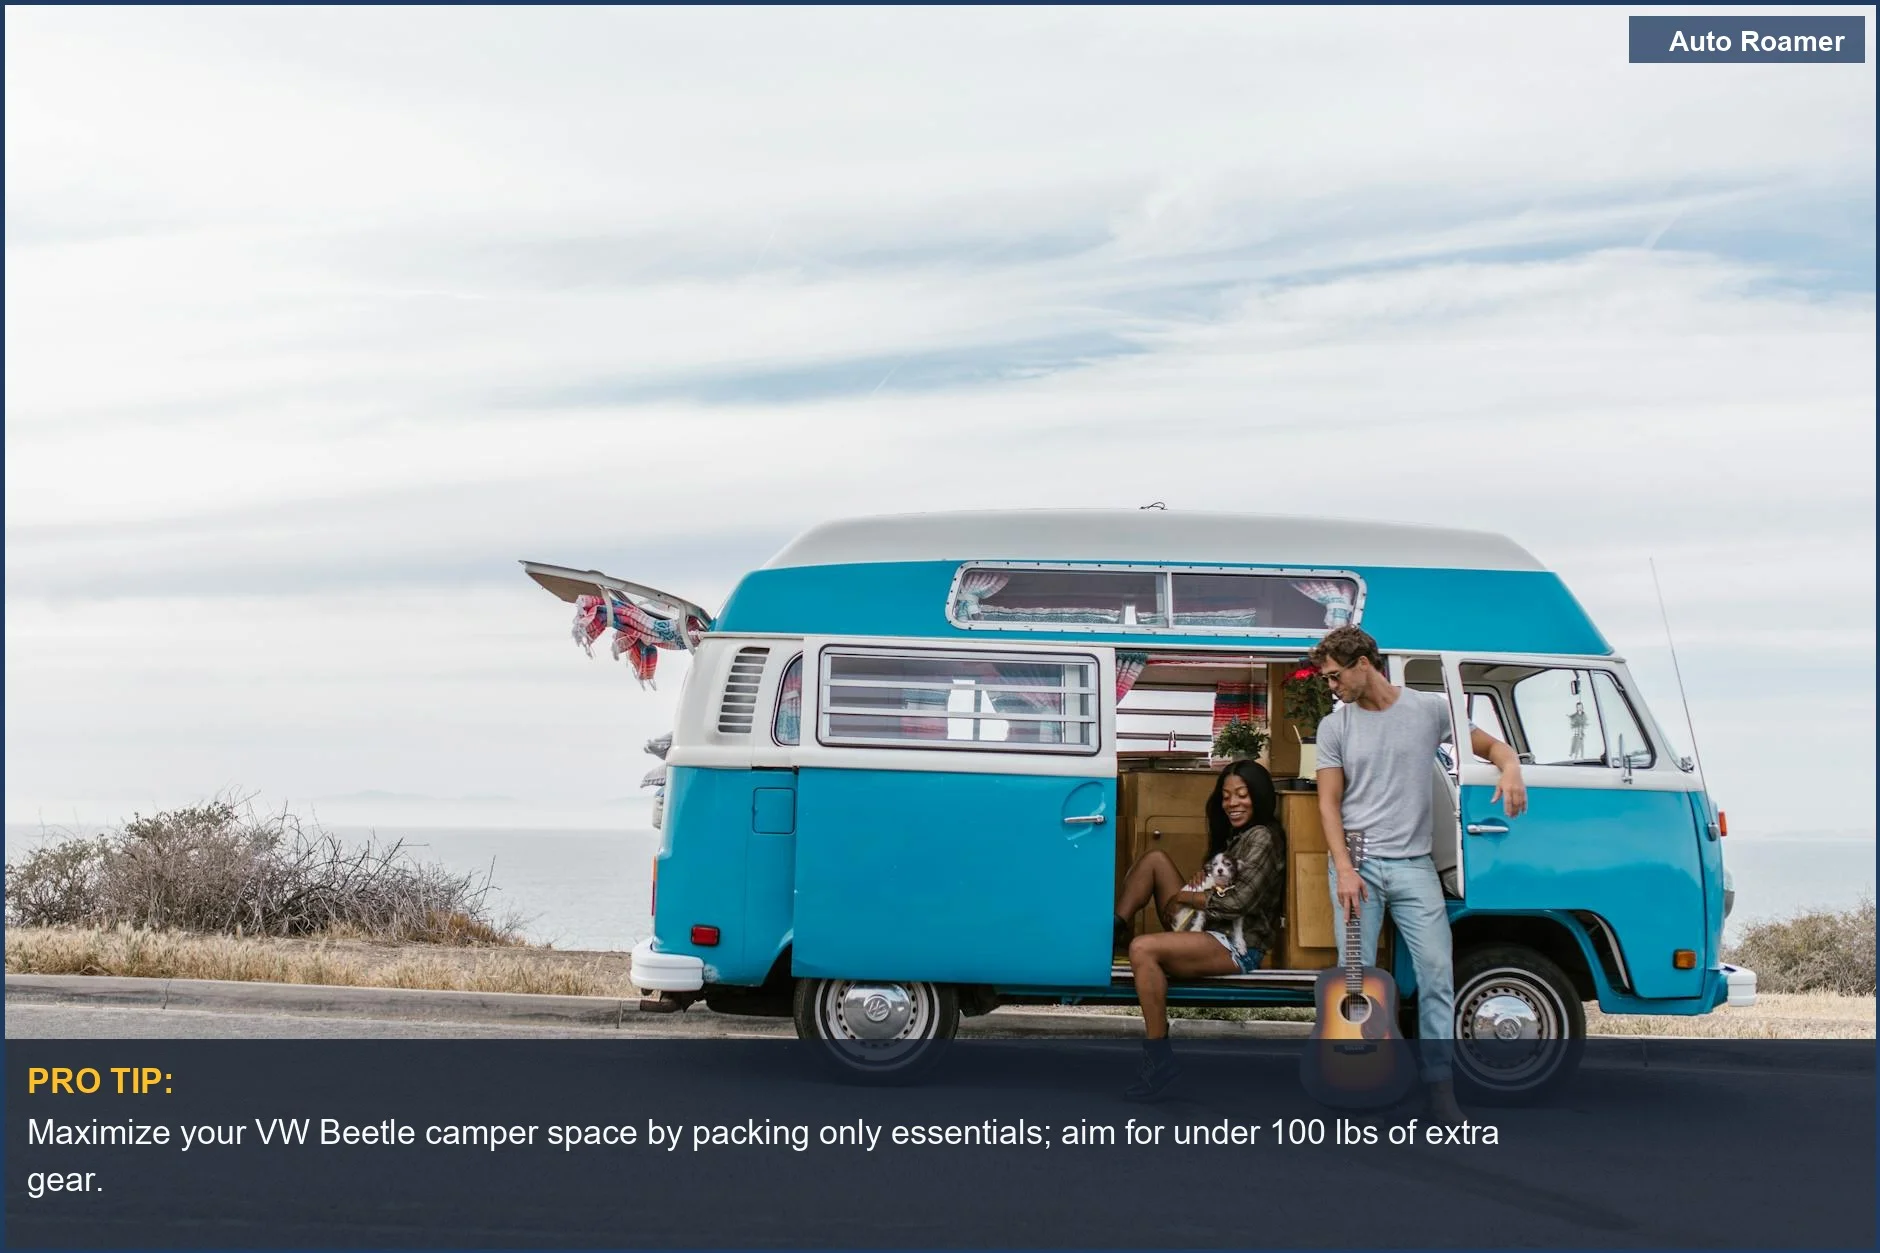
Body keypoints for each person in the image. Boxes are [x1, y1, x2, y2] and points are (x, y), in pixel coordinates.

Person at [1310, 625, 1527, 1123]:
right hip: (1357, 864)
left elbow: (1491, 747)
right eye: (1327, 679)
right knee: (1355, 983)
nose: (1331, 686)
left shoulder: (1428, 709)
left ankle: (1439, 1087)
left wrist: (1510, 767)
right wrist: (1343, 868)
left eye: (1335, 676)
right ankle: (1360, 1081)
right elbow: (1328, 802)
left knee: (1436, 975)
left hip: (1414, 866)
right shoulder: (1335, 726)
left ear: (1364, 662)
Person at [1110, 760, 1286, 1100]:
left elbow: (1238, 902)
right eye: (1226, 796)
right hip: (1207, 928)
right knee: (1155, 860)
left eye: (1242, 795)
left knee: (1143, 949)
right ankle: (1112, 931)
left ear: (1260, 796)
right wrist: (1200, 881)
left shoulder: (1262, 837)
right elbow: (1221, 885)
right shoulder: (1240, 835)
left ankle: (1158, 1058)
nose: (1232, 803)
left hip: (1236, 944)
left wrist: (1191, 896)